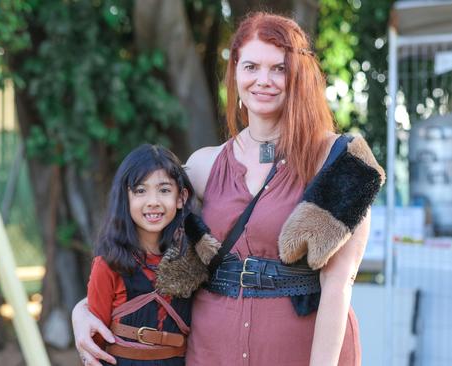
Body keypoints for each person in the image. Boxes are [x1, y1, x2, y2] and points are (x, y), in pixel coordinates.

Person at [73, 12, 385, 366]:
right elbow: (141, 249)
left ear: (298, 75)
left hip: (298, 351)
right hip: (211, 352)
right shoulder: (205, 166)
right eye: (251, 66)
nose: (263, 80)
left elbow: (338, 286)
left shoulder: (339, 163)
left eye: (278, 68)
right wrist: (82, 310)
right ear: (235, 73)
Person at [85, 144, 196, 365]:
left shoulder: (193, 260)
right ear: (125, 198)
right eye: (140, 190)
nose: (153, 201)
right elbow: (94, 339)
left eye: (164, 190)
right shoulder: (108, 263)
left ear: (181, 197)